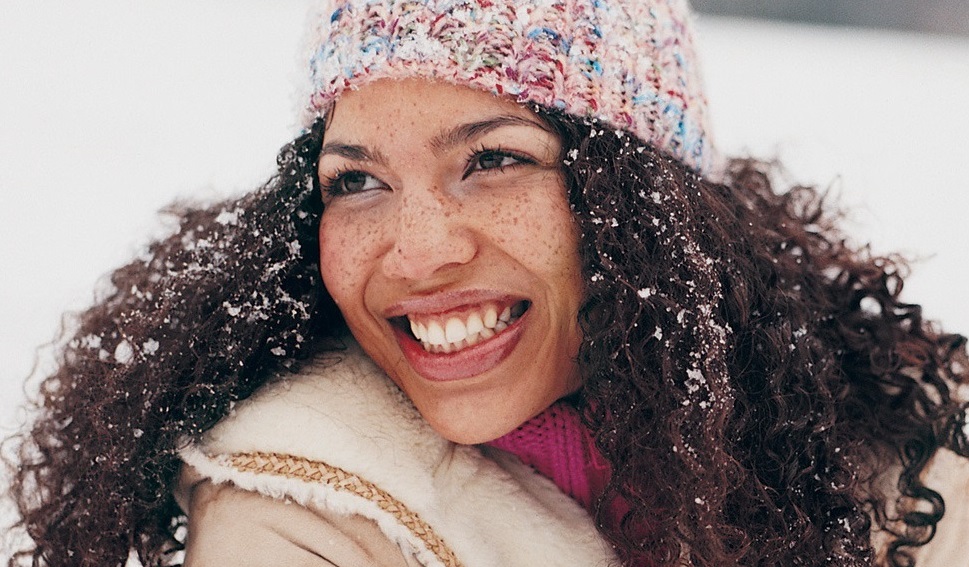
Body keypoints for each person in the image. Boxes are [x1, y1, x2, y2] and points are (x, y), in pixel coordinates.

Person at [4, 0, 969, 565]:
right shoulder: (297, 517)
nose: (416, 252)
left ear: (646, 207)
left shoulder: (905, 450)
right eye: (356, 181)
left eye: (493, 161)